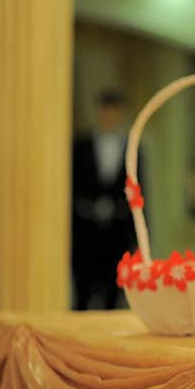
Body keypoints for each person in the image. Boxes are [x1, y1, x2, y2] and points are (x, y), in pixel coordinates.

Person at [71, 89, 141, 310]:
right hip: (85, 233)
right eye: (105, 111)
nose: (109, 116)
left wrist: (138, 235)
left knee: (114, 295)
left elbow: (139, 189)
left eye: (114, 111)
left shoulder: (133, 147)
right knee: (82, 292)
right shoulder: (79, 146)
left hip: (117, 233)